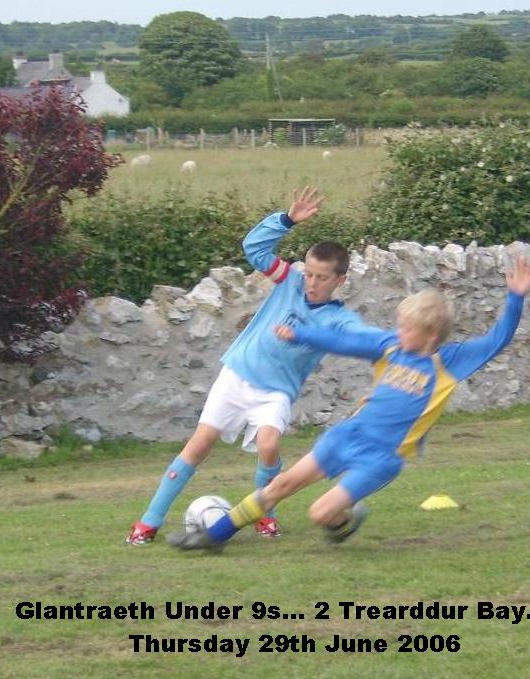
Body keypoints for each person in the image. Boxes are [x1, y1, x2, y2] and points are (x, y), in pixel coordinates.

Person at [168, 258, 530, 551]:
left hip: (381, 458)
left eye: (407, 327)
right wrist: (299, 334)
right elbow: (341, 342)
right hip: (347, 435)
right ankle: (213, 536)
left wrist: (515, 298)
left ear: (430, 335)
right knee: (282, 484)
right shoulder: (389, 347)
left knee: (320, 513)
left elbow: (497, 340)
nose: (399, 331)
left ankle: (344, 522)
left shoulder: (450, 363)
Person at [126, 187, 375, 545]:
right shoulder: (289, 280)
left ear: (340, 280)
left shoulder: (337, 318)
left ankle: (265, 515)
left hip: (275, 392)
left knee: (269, 445)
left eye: (322, 278)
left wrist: (400, 346)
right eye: (309, 274)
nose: (312, 283)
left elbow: (363, 336)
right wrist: (286, 220)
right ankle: (148, 523)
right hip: (237, 374)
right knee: (199, 444)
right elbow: (254, 249)